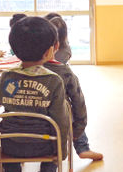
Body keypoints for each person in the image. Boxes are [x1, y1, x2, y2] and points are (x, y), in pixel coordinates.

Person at [0, 17, 69, 172]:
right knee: (54, 138)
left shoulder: (6, 77)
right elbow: (60, 120)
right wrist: (61, 151)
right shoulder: (54, 81)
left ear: (15, 50)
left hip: (12, 144)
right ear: (52, 49)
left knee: (8, 136)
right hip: (43, 144)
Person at [43, 16, 103, 161]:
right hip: (56, 113)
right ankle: (82, 147)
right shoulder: (63, 67)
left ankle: (82, 147)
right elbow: (79, 103)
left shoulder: (32, 63)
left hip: (42, 114)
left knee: (67, 108)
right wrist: (78, 129)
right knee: (69, 109)